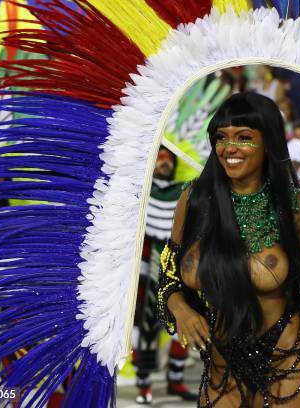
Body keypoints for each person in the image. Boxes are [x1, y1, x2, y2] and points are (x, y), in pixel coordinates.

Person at [156, 92, 300, 407]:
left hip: (289, 357)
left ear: (269, 142)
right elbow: (168, 275)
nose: (230, 148)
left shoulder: (293, 206)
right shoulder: (195, 200)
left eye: (244, 137)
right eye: (221, 138)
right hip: (222, 361)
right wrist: (182, 309)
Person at [134, 146, 198, 404]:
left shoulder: (185, 191)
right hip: (147, 269)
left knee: (183, 323)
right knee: (145, 328)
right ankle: (144, 385)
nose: (164, 163)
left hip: (178, 267)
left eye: (168, 159)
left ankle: (176, 380)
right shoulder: (141, 190)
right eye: (159, 158)